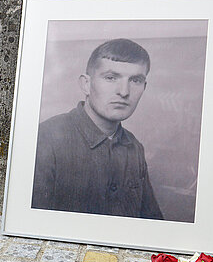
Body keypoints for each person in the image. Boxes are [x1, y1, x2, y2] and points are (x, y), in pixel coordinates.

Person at [31, 38, 163, 219]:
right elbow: (32, 226)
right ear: (86, 84)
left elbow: (152, 224)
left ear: (144, 87)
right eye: (111, 78)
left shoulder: (134, 147)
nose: (124, 92)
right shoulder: (45, 139)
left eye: (135, 80)